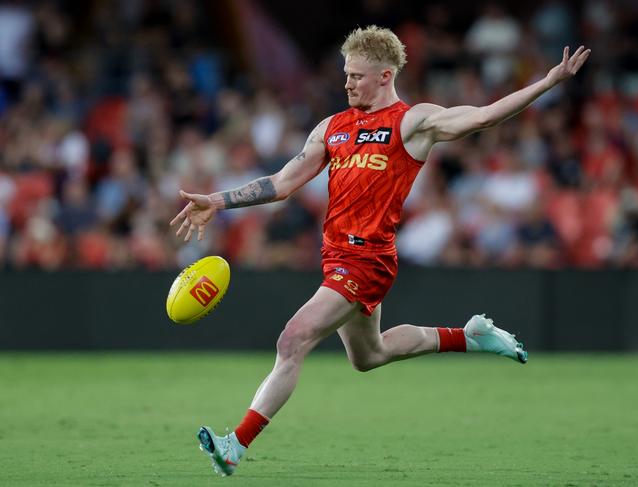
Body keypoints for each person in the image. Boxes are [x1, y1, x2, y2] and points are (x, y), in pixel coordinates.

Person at [170, 26, 590, 477]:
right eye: (345, 74)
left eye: (356, 76)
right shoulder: (332, 127)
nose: (347, 83)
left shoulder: (413, 123)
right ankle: (470, 336)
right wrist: (217, 200)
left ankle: (235, 445)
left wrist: (547, 83)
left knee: (293, 338)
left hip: (368, 260)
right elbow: (281, 183)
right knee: (367, 357)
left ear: (385, 76)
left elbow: (484, 116)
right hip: (334, 257)